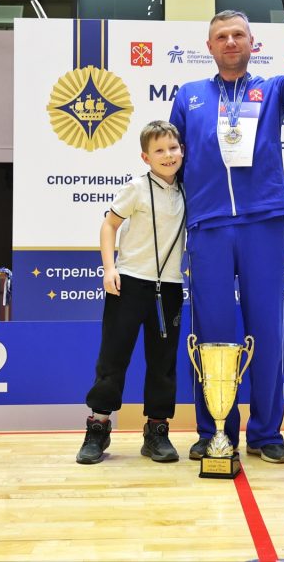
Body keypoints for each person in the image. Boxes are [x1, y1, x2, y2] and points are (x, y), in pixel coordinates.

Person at [168, 0, 284, 464]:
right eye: (222, 36)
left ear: (253, 43)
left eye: (239, 35)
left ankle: (266, 433)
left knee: (267, 331)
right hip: (209, 227)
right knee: (211, 333)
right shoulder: (188, 96)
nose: (231, 42)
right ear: (209, 47)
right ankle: (214, 429)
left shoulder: (272, 90)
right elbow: (173, 161)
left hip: (264, 224)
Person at [76, 120, 186, 465]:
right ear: (145, 157)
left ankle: (157, 432)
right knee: (113, 358)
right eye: (159, 150)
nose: (168, 155)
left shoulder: (188, 191)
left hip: (169, 288)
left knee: (163, 363)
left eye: (173, 148)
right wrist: (110, 268)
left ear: (182, 150)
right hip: (129, 284)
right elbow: (109, 224)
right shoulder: (136, 188)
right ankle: (98, 428)